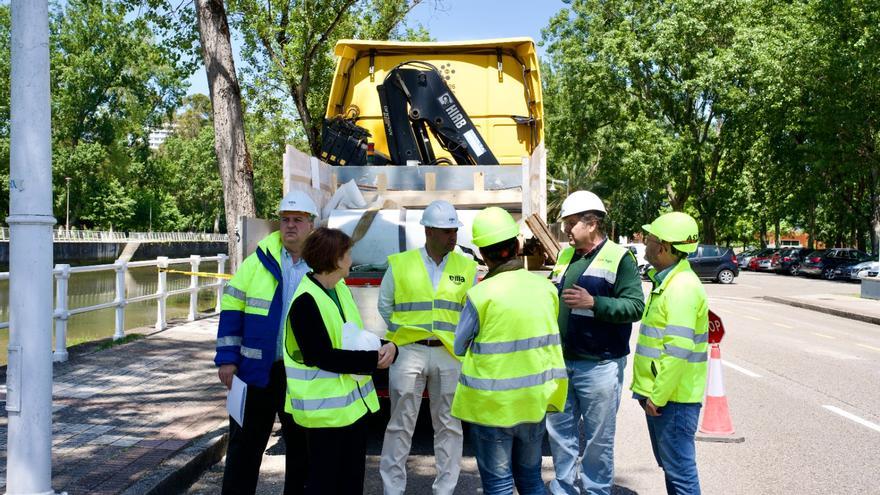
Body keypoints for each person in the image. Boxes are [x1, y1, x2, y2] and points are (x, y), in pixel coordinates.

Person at [452, 207, 568, 495]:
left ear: (482, 254)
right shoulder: (546, 289)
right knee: (530, 480)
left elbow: (458, 345)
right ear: (516, 246)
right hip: (533, 400)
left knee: (499, 484)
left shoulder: (480, 295)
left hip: (492, 407)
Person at [214, 190, 318, 495]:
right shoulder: (257, 261)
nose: (290, 226)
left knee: (302, 452)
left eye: (298, 220)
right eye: (285, 220)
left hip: (301, 375)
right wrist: (227, 359)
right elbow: (232, 310)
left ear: (311, 224)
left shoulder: (322, 264)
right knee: (244, 449)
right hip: (256, 371)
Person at [283, 227, 398, 494]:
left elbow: (352, 336)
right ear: (335, 259)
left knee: (349, 483)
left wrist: (388, 347)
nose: (351, 259)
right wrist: (373, 361)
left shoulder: (339, 288)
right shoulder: (305, 302)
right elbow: (321, 356)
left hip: (351, 412)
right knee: (324, 485)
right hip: (322, 417)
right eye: (347, 254)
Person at [545, 191, 645, 495]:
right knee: (560, 434)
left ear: (591, 223)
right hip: (563, 361)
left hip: (599, 365)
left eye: (571, 224)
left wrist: (594, 302)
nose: (565, 230)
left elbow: (635, 306)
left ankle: (596, 490)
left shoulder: (619, 258)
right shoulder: (565, 256)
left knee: (598, 439)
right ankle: (563, 488)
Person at [378, 200, 478, 495]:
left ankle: (444, 490)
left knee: (449, 426)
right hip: (409, 351)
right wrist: (401, 336)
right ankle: (392, 489)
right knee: (400, 425)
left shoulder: (467, 267)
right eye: (447, 230)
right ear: (429, 231)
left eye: (455, 230)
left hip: (450, 353)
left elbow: (471, 311)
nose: (453, 236)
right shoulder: (401, 263)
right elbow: (385, 305)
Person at [632, 212, 709, 495]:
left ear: (663, 247)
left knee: (680, 474)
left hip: (671, 400)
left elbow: (677, 349)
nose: (645, 244)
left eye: (649, 239)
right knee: (674, 470)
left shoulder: (682, 288)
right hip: (666, 397)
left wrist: (658, 395)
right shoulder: (669, 281)